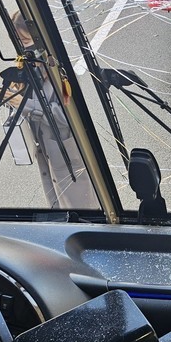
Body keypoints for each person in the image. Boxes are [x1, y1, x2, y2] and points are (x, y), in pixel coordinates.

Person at [6, 12, 100, 210]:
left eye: (26, 41)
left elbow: (67, 116)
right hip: (46, 151)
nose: (24, 48)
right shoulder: (27, 69)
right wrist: (11, 98)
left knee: (81, 208)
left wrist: (25, 104)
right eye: (19, 41)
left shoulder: (60, 71)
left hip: (66, 151)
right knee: (57, 208)